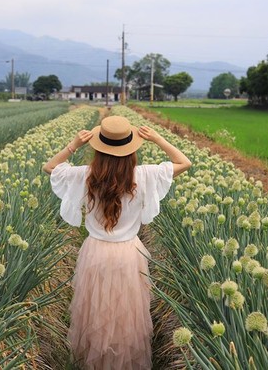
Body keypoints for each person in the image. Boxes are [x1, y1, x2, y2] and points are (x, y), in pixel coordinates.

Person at [43, 115, 192, 370]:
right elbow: (184, 162)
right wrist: (157, 139)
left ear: (98, 149)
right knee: (127, 315)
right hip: (129, 254)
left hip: (95, 253)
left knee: (95, 312)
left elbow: (50, 167)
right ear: (131, 149)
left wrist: (73, 145)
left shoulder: (87, 176)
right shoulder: (144, 175)